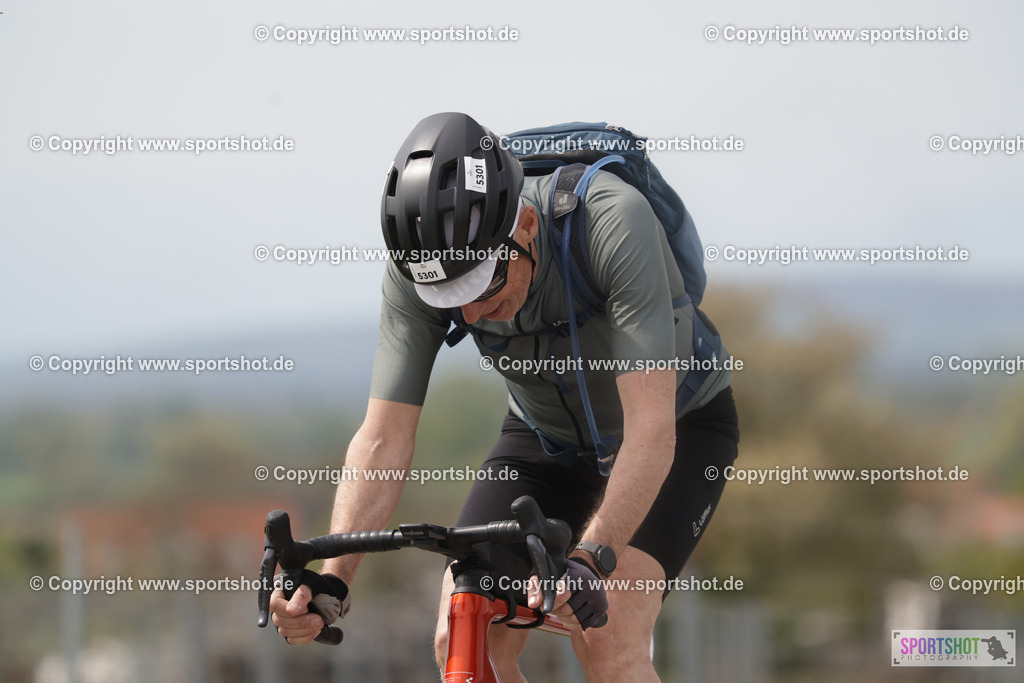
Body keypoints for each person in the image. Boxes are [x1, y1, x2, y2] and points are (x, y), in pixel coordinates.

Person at [270, 112, 740, 682]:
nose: (469, 315)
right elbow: (382, 438)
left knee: (607, 630)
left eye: (481, 284)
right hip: (544, 439)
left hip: (677, 427)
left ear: (526, 226)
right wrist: (332, 578)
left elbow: (650, 430)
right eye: (450, 299)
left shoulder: (612, 220)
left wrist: (590, 559)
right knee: (463, 627)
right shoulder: (418, 268)